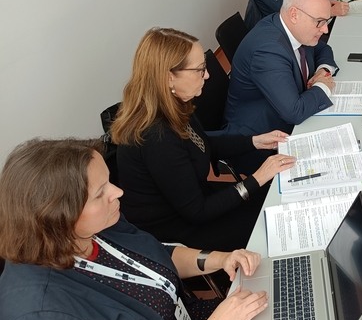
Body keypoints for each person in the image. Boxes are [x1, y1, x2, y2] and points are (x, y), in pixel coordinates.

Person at [0, 138, 269, 320]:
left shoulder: (97, 225)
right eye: (100, 193)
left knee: (279, 315)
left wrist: (219, 259)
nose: (117, 192)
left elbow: (152, 256)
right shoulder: (39, 319)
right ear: (59, 216)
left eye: (109, 181)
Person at [113, 28, 296, 251]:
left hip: (195, 201)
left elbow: (202, 143)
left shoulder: (174, 104)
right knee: (276, 223)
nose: (207, 75)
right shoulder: (156, 136)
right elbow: (198, 212)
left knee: (273, 198)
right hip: (177, 230)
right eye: (200, 70)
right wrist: (257, 177)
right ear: (169, 77)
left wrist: (254, 141)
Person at [225, 0, 338, 135]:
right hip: (260, 134)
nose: (325, 29)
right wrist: (323, 86)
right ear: (294, 14)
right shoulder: (268, 51)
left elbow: (323, 48)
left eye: (326, 21)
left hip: (288, 116)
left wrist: (322, 71)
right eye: (320, 22)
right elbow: (294, 112)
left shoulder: (291, 27)